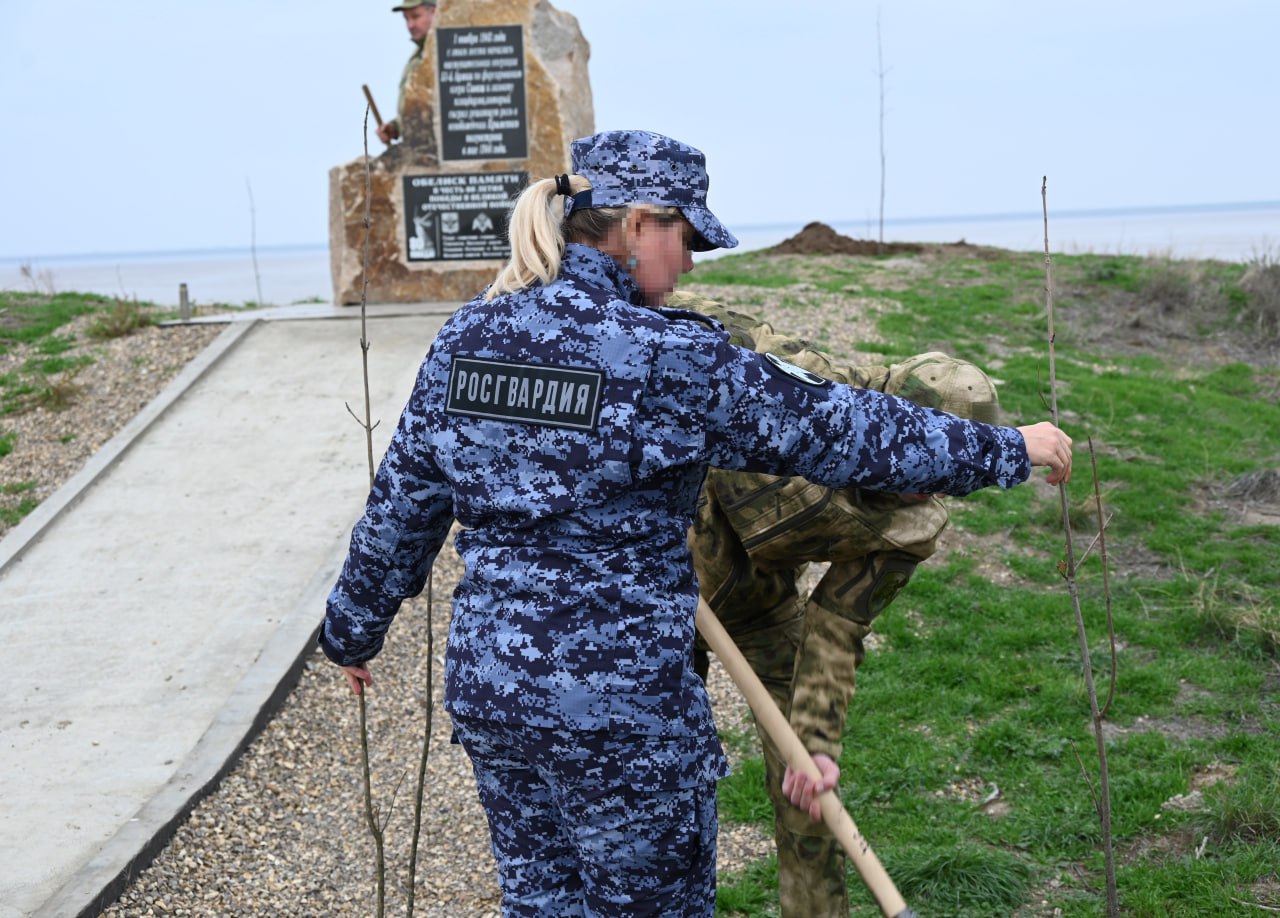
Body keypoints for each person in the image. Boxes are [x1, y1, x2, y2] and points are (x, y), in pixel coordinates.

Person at [320, 128, 1073, 917]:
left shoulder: (467, 340)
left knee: (542, 907)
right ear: (639, 223)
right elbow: (844, 430)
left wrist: (352, 631)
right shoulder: (662, 357)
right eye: (684, 237)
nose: (686, 264)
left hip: (496, 697)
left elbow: (402, 506)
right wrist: (1005, 449)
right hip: (620, 714)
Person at [674, 290, 1001, 916]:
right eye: (926, 464)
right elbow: (687, 323)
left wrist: (816, 744)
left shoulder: (907, 526)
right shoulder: (801, 388)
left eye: (952, 477)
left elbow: (837, 625)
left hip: (756, 601)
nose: (928, 491)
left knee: (809, 793)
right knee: (661, 781)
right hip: (653, 585)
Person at [377, 0, 436, 146]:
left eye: (415, 17)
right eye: (406, 19)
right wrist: (396, 127)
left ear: (434, 12)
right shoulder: (418, 56)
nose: (410, 25)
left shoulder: (448, 52)